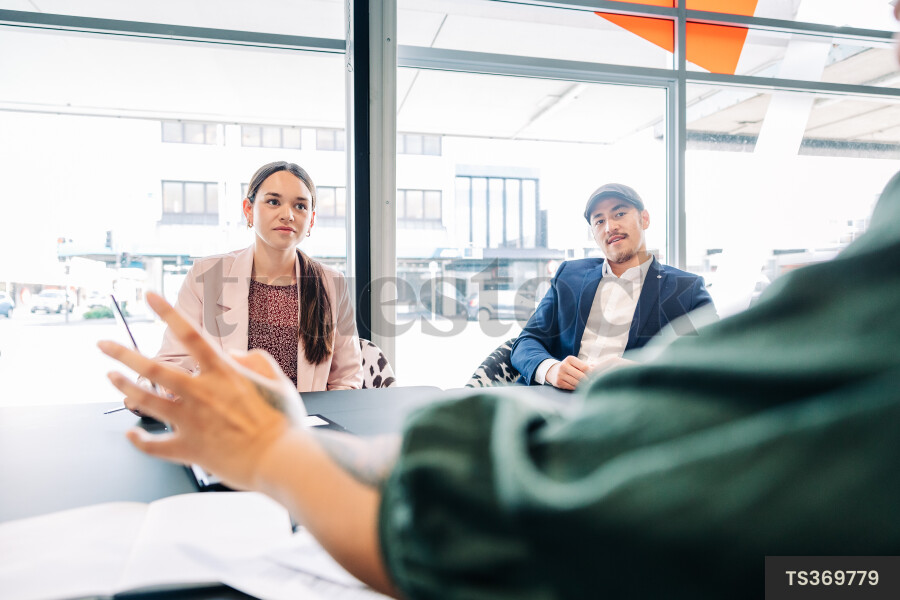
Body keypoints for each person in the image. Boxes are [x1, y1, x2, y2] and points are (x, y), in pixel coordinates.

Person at [125, 161, 361, 414]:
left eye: (300, 206)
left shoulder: (331, 284)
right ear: (248, 209)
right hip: (229, 425)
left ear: (311, 220)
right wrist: (154, 388)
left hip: (302, 432)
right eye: (273, 201)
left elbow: (347, 380)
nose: (288, 214)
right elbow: (175, 361)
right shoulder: (206, 275)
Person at [511, 183, 714, 390]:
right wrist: (552, 370)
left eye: (619, 214)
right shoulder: (569, 276)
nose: (609, 227)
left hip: (626, 407)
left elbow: (711, 361)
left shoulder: (686, 289)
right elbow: (526, 341)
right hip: (551, 398)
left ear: (644, 219)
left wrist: (641, 371)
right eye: (599, 221)